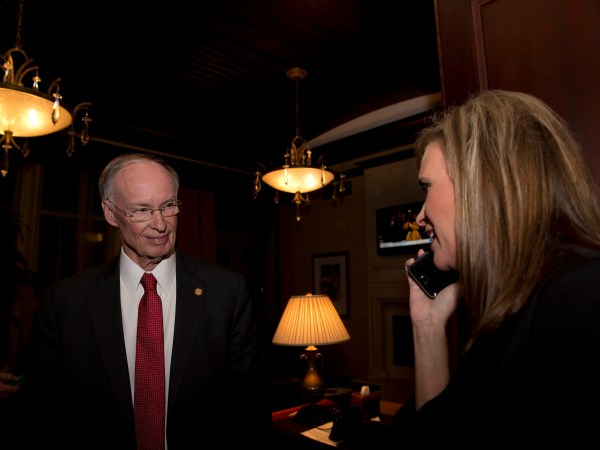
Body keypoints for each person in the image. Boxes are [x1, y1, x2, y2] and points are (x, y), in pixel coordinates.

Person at [390, 90, 600, 445]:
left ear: (481, 182)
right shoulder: (510, 309)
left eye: (427, 187)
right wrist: (428, 326)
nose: (420, 216)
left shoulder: (582, 297)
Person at [20, 153, 272, 449]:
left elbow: (249, 407)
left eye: (168, 205)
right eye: (141, 210)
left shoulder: (227, 291)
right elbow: (45, 415)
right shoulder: (65, 303)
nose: (160, 224)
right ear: (110, 213)